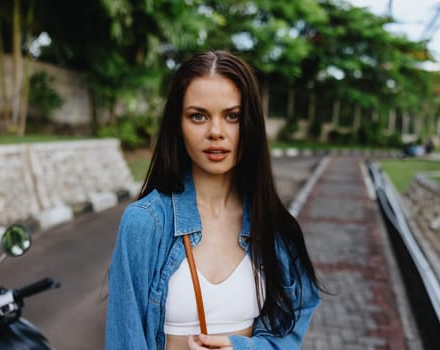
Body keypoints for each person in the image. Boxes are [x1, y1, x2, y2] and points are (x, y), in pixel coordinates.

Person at [105, 50, 322, 350]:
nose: (216, 132)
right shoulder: (145, 223)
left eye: (232, 116)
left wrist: (244, 348)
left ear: (250, 126)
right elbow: (124, 342)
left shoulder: (271, 224)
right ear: (178, 127)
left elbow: (296, 318)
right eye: (198, 116)